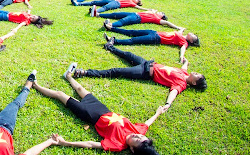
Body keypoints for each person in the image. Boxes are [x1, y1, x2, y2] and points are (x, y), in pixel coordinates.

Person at [32, 65, 167, 155]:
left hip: (90, 115)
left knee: (60, 95)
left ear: (132, 149)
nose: (137, 135)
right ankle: (68, 76)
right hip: (103, 109)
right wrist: (157, 113)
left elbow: (90, 144)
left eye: (137, 140)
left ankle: (36, 85)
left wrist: (65, 142)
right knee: (80, 89)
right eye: (140, 136)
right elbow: (147, 124)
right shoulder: (137, 131)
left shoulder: (118, 144)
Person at [74, 45, 207, 108]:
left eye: (196, 76)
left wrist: (167, 104)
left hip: (145, 72)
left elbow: (173, 92)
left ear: (194, 83)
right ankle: (110, 47)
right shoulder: (185, 73)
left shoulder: (181, 84)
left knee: (116, 71)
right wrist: (185, 60)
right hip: (148, 63)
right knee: (128, 54)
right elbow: (185, 66)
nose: (194, 73)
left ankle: (85, 72)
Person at [103, 27, 200, 63]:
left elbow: (183, 48)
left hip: (155, 38)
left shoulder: (185, 42)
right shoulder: (181, 35)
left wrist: (182, 57)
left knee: (133, 40)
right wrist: (182, 29)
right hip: (154, 32)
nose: (192, 34)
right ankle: (111, 28)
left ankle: (114, 41)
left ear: (191, 41)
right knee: (132, 31)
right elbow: (180, 30)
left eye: (193, 36)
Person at [98, 11, 182, 30]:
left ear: (162, 17)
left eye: (161, 13)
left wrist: (177, 27)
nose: (159, 12)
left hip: (137, 18)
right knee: (115, 14)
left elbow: (167, 23)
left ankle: (110, 25)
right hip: (134, 13)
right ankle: (98, 14)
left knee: (123, 21)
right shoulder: (153, 13)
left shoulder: (157, 19)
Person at [75, 0, 145, 14]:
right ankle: (79, 3)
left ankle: (95, 11)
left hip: (117, 3)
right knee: (95, 2)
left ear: (137, 2)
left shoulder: (132, 4)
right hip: (113, 0)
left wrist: (149, 10)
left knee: (105, 7)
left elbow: (139, 8)